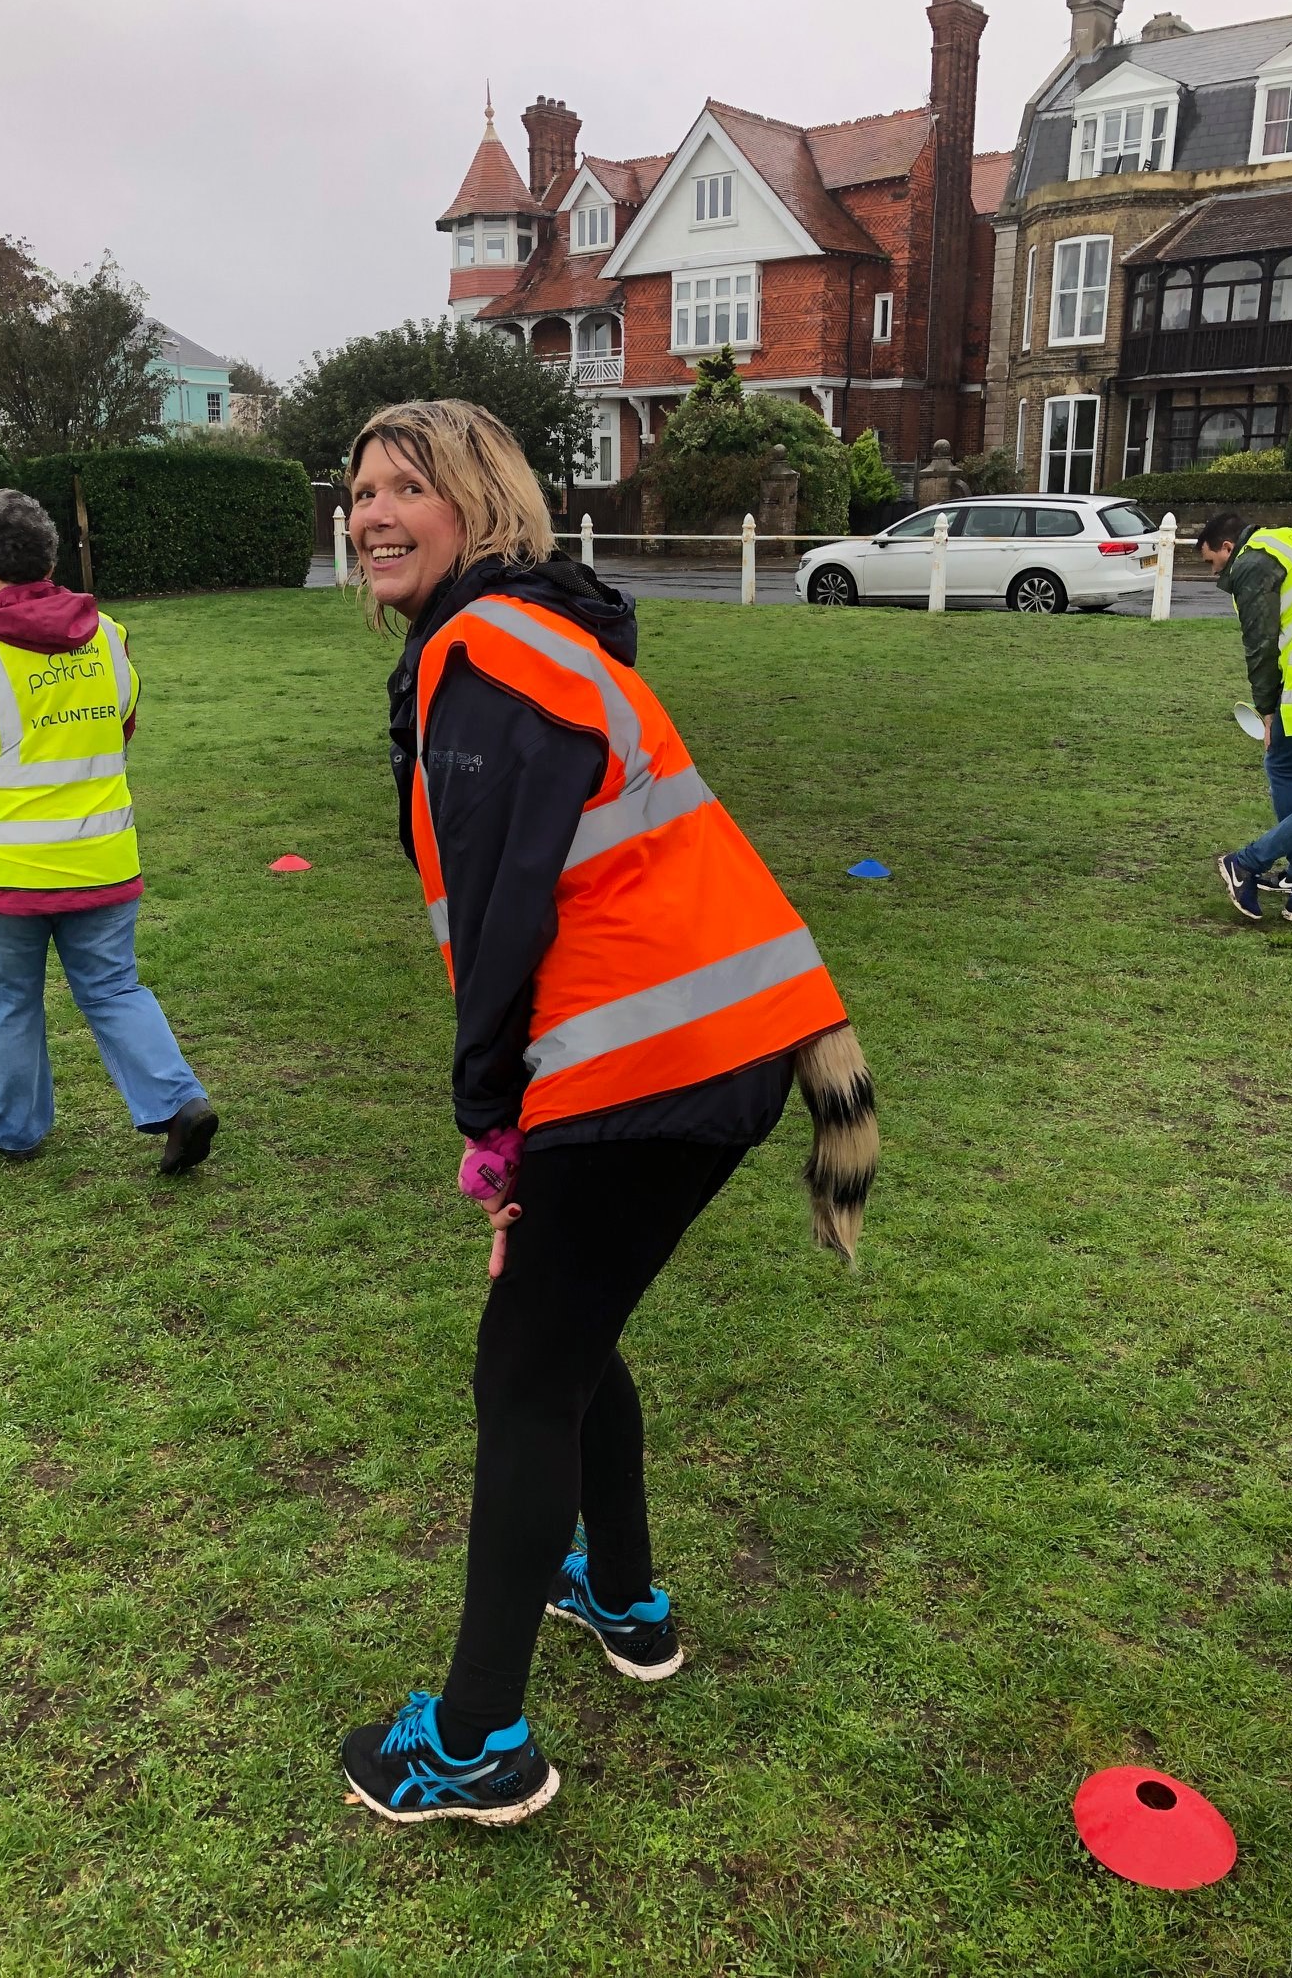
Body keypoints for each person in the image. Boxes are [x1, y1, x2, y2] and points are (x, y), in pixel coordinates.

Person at [337, 400, 877, 1826]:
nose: (373, 513)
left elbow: (499, 911)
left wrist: (493, 1121)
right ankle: (623, 1598)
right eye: (361, 489)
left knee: (523, 1378)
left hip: (645, 1059)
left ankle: (473, 1744)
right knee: (569, 1337)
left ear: (479, 502)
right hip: (731, 1040)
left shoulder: (484, 653)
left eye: (407, 487)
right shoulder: (535, 633)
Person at [0, 488, 217, 1171]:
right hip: (102, 859)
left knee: (10, 1001)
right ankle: (178, 1102)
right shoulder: (108, 635)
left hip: (3, 872)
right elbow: (121, 725)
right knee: (114, 988)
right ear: (50, 560)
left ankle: (14, 1130)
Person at [1200, 511, 1292, 921]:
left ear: (1227, 547)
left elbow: (1260, 644)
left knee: (1283, 767)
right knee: (1283, 767)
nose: (1213, 572)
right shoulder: (1283, 540)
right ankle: (1256, 865)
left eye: (1211, 562)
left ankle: (1248, 863)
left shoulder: (1253, 562)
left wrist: (1267, 710)